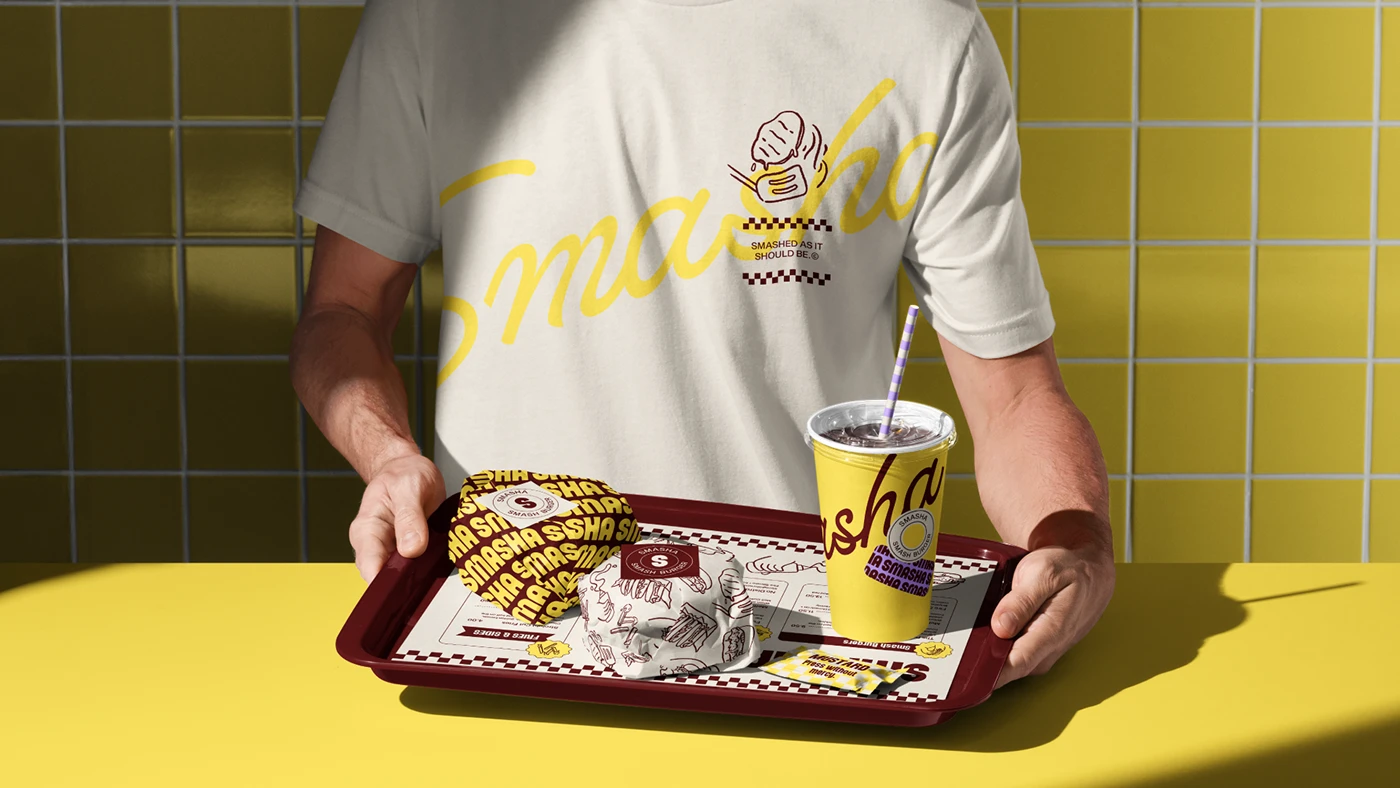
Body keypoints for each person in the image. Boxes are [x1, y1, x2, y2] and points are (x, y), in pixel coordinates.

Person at [290, 0, 1114, 688]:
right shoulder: (433, 16)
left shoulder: (924, 36)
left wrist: (1074, 545)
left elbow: (1014, 400)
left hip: (789, 648)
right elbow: (342, 316)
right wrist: (388, 458)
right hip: (508, 629)